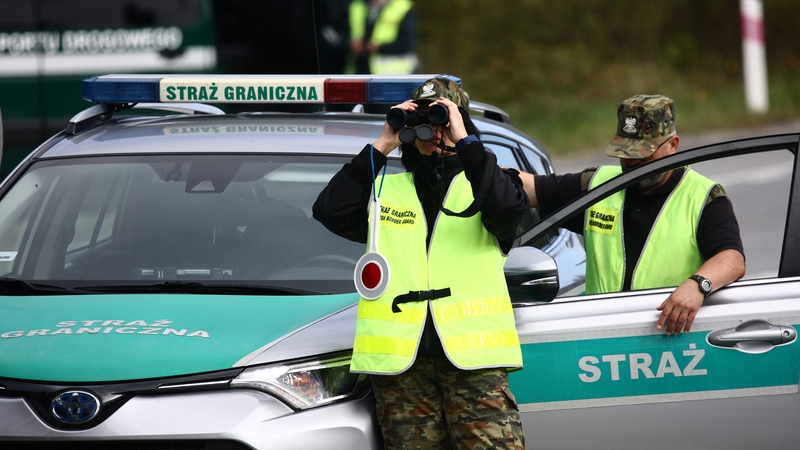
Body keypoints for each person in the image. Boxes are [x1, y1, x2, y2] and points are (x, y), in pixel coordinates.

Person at [313, 78, 527, 449]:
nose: (433, 129)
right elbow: (330, 210)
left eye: (442, 116)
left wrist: (463, 139)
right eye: (426, 118)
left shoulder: (490, 184)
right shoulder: (387, 191)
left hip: (474, 366)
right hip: (401, 370)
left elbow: (508, 213)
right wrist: (383, 144)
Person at [519, 94, 746, 335]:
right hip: (601, 339)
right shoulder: (597, 184)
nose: (632, 162)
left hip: (669, 342)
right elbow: (527, 187)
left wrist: (699, 285)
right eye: (625, 153)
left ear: (673, 145)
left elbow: (732, 259)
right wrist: (477, 158)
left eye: (643, 153)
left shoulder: (702, 197)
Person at [347, 0, 418, 74]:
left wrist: (379, 47)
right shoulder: (356, 5)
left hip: (394, 73)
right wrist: (352, 44)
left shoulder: (403, 7)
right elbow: (340, 36)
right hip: (359, 68)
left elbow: (407, 44)